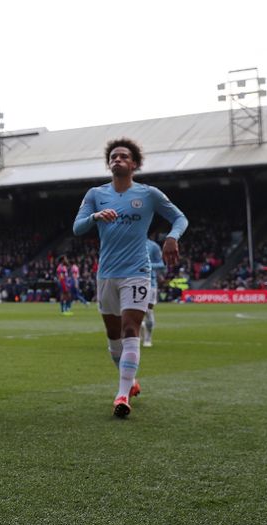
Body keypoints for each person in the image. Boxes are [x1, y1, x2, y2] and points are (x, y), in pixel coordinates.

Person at [73, 138, 187, 418]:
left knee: (129, 330)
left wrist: (172, 237)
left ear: (134, 163)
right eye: (114, 156)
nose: (118, 160)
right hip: (107, 274)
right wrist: (96, 217)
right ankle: (130, 381)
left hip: (137, 272)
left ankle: (122, 395)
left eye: (124, 156)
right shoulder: (95, 195)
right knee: (113, 337)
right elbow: (77, 228)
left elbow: (180, 218)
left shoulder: (149, 194)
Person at [142, 234, 166, 347]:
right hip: (130, 281)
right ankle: (133, 337)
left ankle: (148, 337)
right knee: (129, 312)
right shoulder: (128, 243)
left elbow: (162, 264)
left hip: (150, 282)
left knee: (148, 311)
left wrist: (148, 265)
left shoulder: (153, 246)